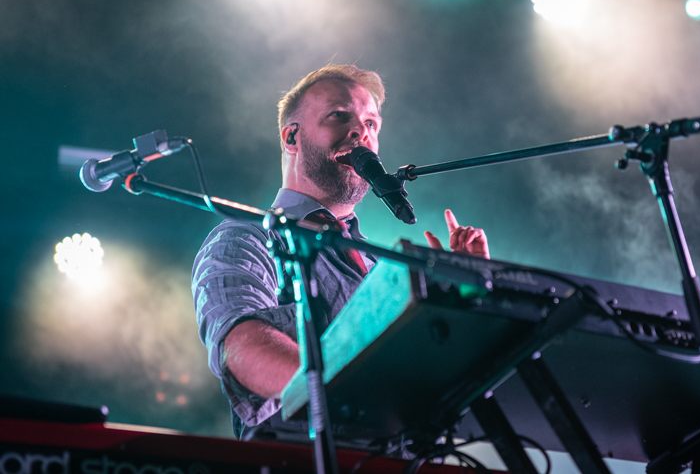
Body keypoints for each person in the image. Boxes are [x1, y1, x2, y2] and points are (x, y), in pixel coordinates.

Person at [192, 64, 490, 441]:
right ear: (291, 137)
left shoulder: (383, 265)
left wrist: (470, 297)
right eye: (339, 116)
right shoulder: (244, 238)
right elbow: (241, 348)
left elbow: (441, 382)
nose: (361, 132)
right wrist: (369, 401)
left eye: (371, 123)